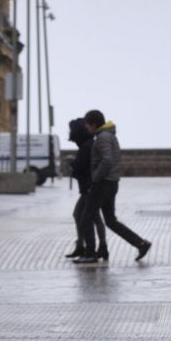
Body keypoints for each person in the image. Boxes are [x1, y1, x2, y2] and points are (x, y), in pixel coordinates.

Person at [74, 109, 152, 264]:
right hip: (111, 183)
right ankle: (141, 244)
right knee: (110, 221)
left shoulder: (102, 138)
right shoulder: (108, 135)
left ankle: (90, 254)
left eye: (87, 125)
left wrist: (95, 178)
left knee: (86, 218)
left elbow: (107, 160)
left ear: (94, 124)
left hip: (103, 184)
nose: (86, 129)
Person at [66, 118, 107, 259]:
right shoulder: (85, 145)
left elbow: (84, 167)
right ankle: (83, 246)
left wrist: (73, 164)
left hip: (90, 188)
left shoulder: (88, 146)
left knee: (88, 217)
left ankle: (94, 249)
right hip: (87, 188)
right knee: (82, 215)